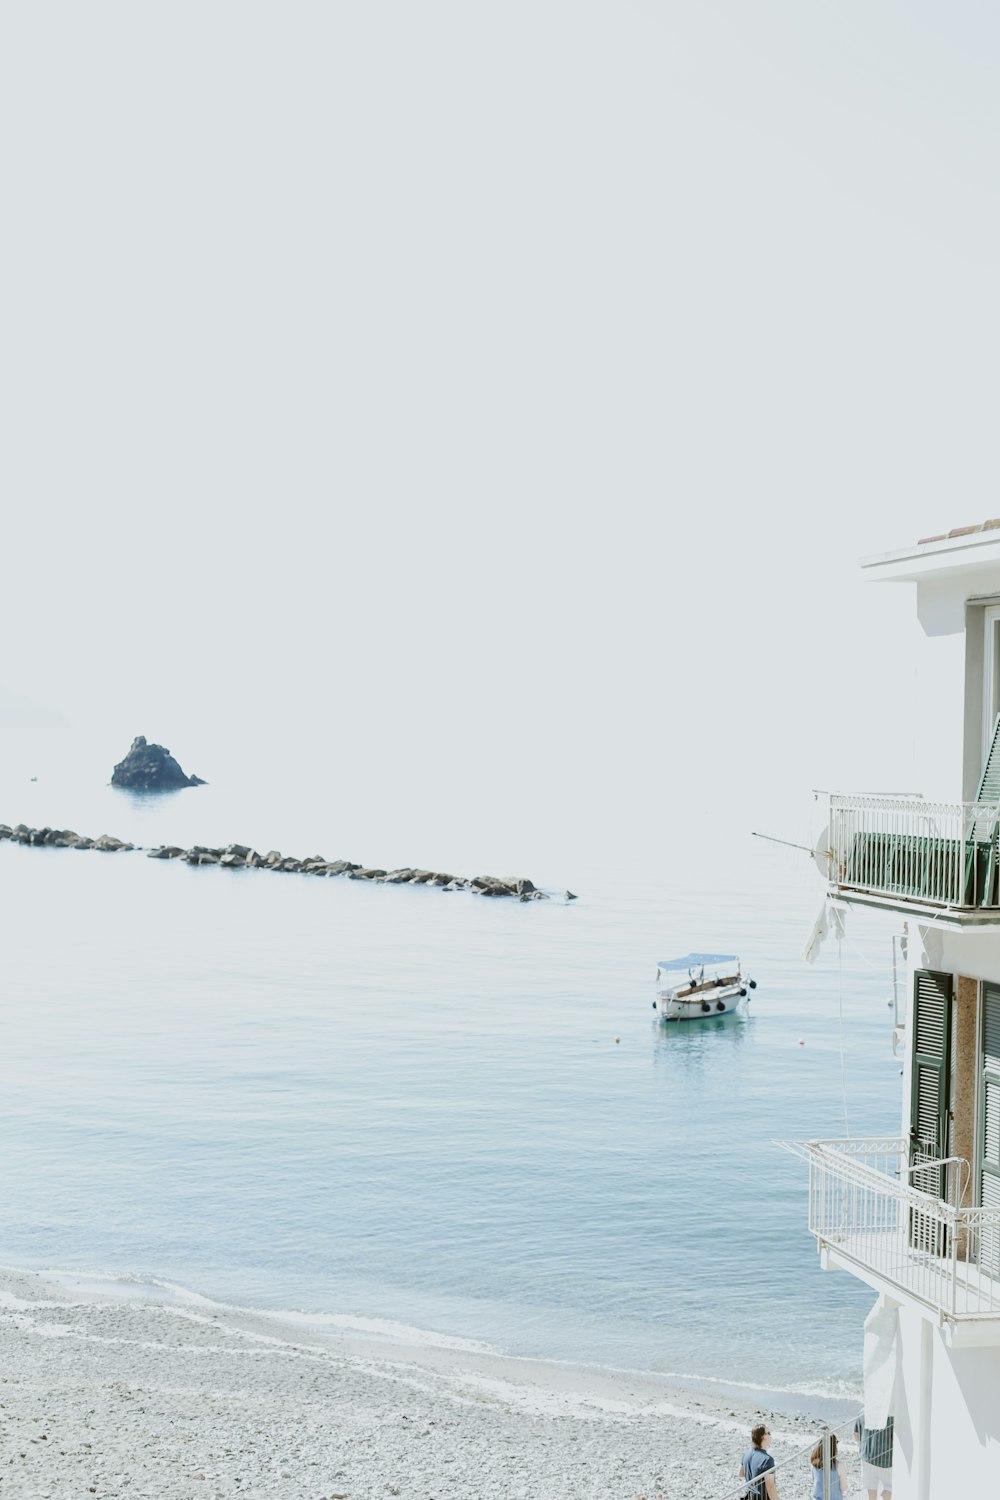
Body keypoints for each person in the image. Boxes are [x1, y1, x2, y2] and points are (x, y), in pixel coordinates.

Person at [854, 1413, 893, 1500]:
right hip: (886, 1460)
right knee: (890, 1486)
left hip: (867, 1456)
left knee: (871, 1487)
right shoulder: (891, 1415)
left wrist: (863, 1445)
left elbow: (856, 1435)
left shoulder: (862, 1412)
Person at [739, 1422, 777, 1500]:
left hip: (749, 1496)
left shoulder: (746, 1453)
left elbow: (741, 1473)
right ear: (762, 1437)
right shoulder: (767, 1460)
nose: (771, 1435)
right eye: (768, 1433)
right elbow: (770, 1487)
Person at [808, 1434, 844, 1500]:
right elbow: (843, 1488)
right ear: (834, 1448)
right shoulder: (839, 1465)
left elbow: (814, 1480)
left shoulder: (814, 1463)